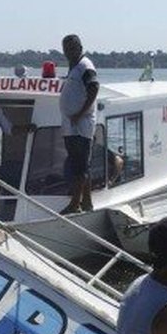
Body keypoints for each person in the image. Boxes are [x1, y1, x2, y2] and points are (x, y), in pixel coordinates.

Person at [59, 34, 99, 214]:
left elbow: (94, 88)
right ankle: (87, 202)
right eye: (66, 49)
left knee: (80, 165)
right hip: (71, 123)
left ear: (80, 48)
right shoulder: (73, 66)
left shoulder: (85, 66)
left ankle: (75, 203)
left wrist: (80, 113)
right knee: (79, 164)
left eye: (72, 48)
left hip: (81, 123)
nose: (69, 52)